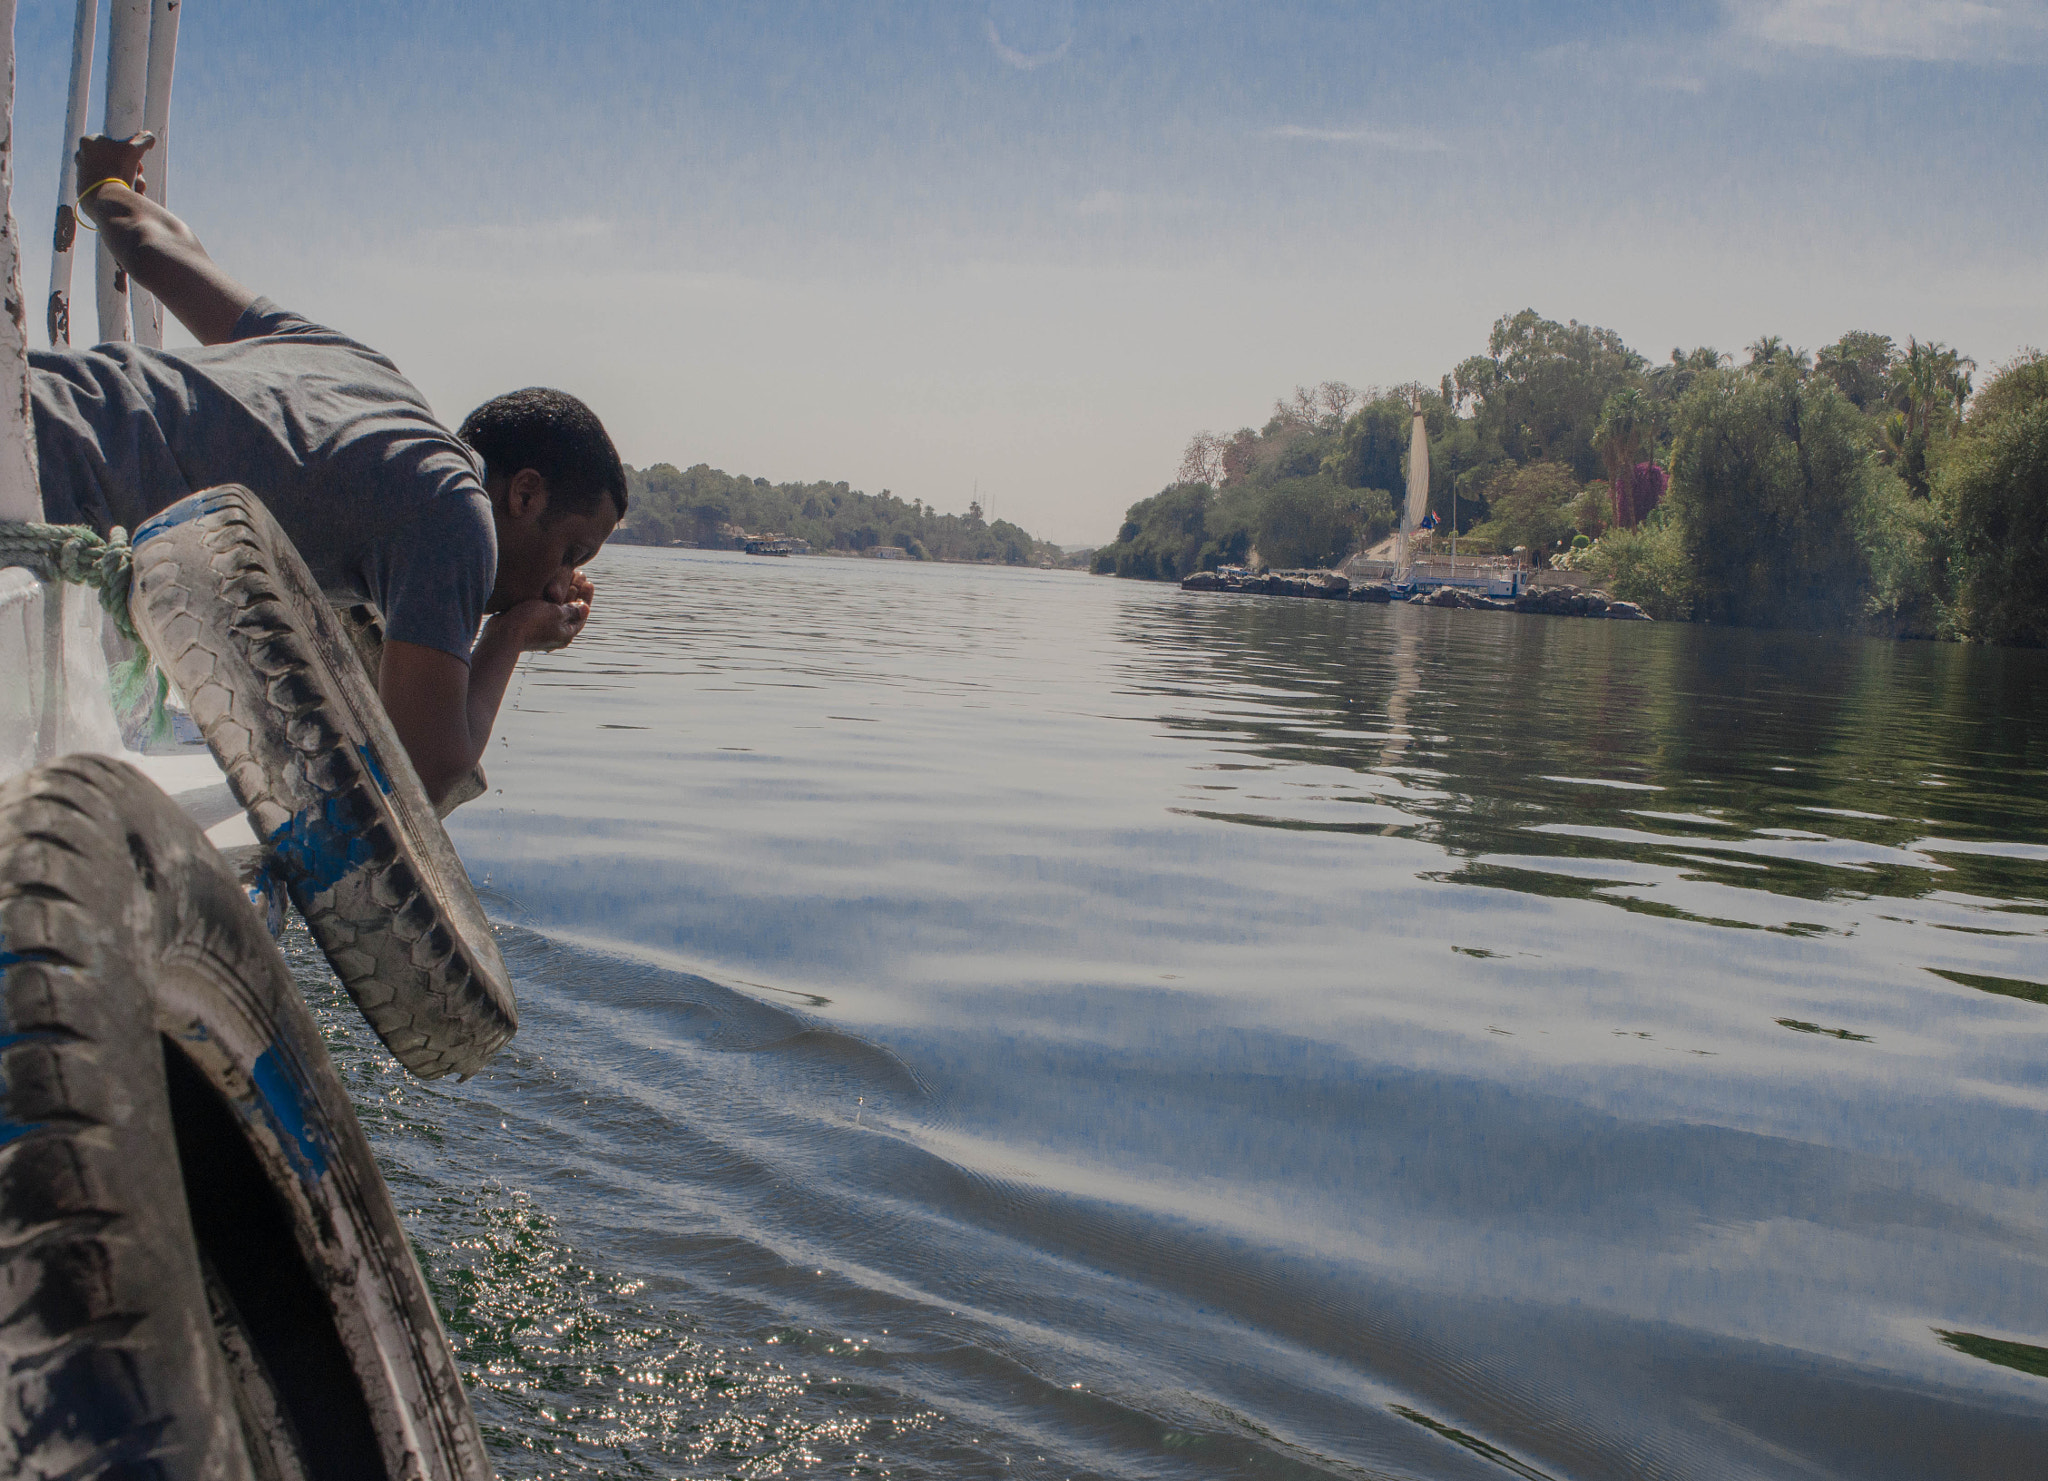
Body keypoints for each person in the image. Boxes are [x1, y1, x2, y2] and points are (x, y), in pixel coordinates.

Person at [31, 132, 623, 805]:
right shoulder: (458, 514)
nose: (562, 579)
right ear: (523, 494)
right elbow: (423, 776)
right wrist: (510, 634)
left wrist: (103, 184)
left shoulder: (359, 370)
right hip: (39, 489)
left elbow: (155, 246)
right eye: (572, 549)